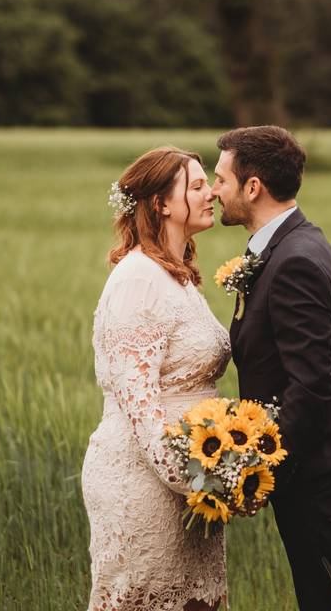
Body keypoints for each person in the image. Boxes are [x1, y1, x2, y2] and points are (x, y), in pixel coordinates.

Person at [211, 126, 331, 611]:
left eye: (221, 178)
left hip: (320, 471)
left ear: (253, 187)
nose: (212, 189)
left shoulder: (295, 261)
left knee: (329, 601)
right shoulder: (289, 246)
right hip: (315, 465)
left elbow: (311, 386)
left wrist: (262, 466)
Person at [82, 147, 230, 611]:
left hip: (193, 478)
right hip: (145, 482)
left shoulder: (179, 276)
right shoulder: (137, 279)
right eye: (198, 185)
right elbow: (139, 405)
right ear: (162, 204)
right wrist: (198, 482)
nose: (212, 194)